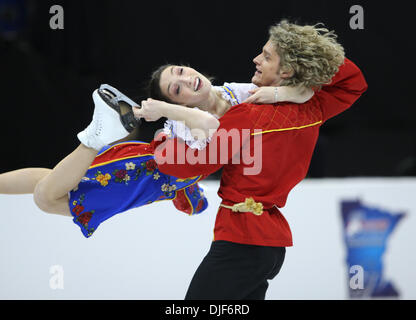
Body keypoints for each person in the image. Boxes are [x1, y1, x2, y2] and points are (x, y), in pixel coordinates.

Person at [137, 19, 368, 300]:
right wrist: (292, 84)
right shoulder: (313, 108)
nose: (256, 59)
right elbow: (352, 82)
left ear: (287, 69)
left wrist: (161, 136)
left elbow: (190, 164)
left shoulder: (246, 115)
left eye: (267, 56)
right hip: (268, 246)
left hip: (243, 237)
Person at [0, 71, 310, 238]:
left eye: (181, 72)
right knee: (45, 196)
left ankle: (95, 138)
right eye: (177, 90)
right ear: (177, 105)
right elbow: (213, 127)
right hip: (134, 177)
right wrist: (163, 109)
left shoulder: (233, 91)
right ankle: (93, 139)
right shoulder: (181, 119)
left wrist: (279, 93)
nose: (187, 81)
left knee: (49, 180)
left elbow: (306, 92)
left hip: (134, 168)